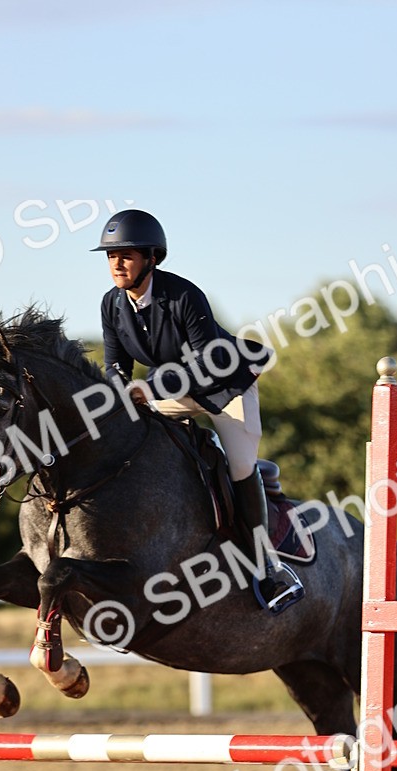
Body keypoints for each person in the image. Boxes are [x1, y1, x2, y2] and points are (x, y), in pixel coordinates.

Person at [92, 209, 303, 613]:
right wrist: (120, 390)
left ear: (152, 258)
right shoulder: (111, 305)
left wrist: (148, 388)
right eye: (110, 256)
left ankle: (266, 565)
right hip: (171, 391)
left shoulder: (184, 295)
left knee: (240, 466)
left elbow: (207, 363)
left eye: (127, 255)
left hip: (226, 387)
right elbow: (116, 364)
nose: (116, 264)